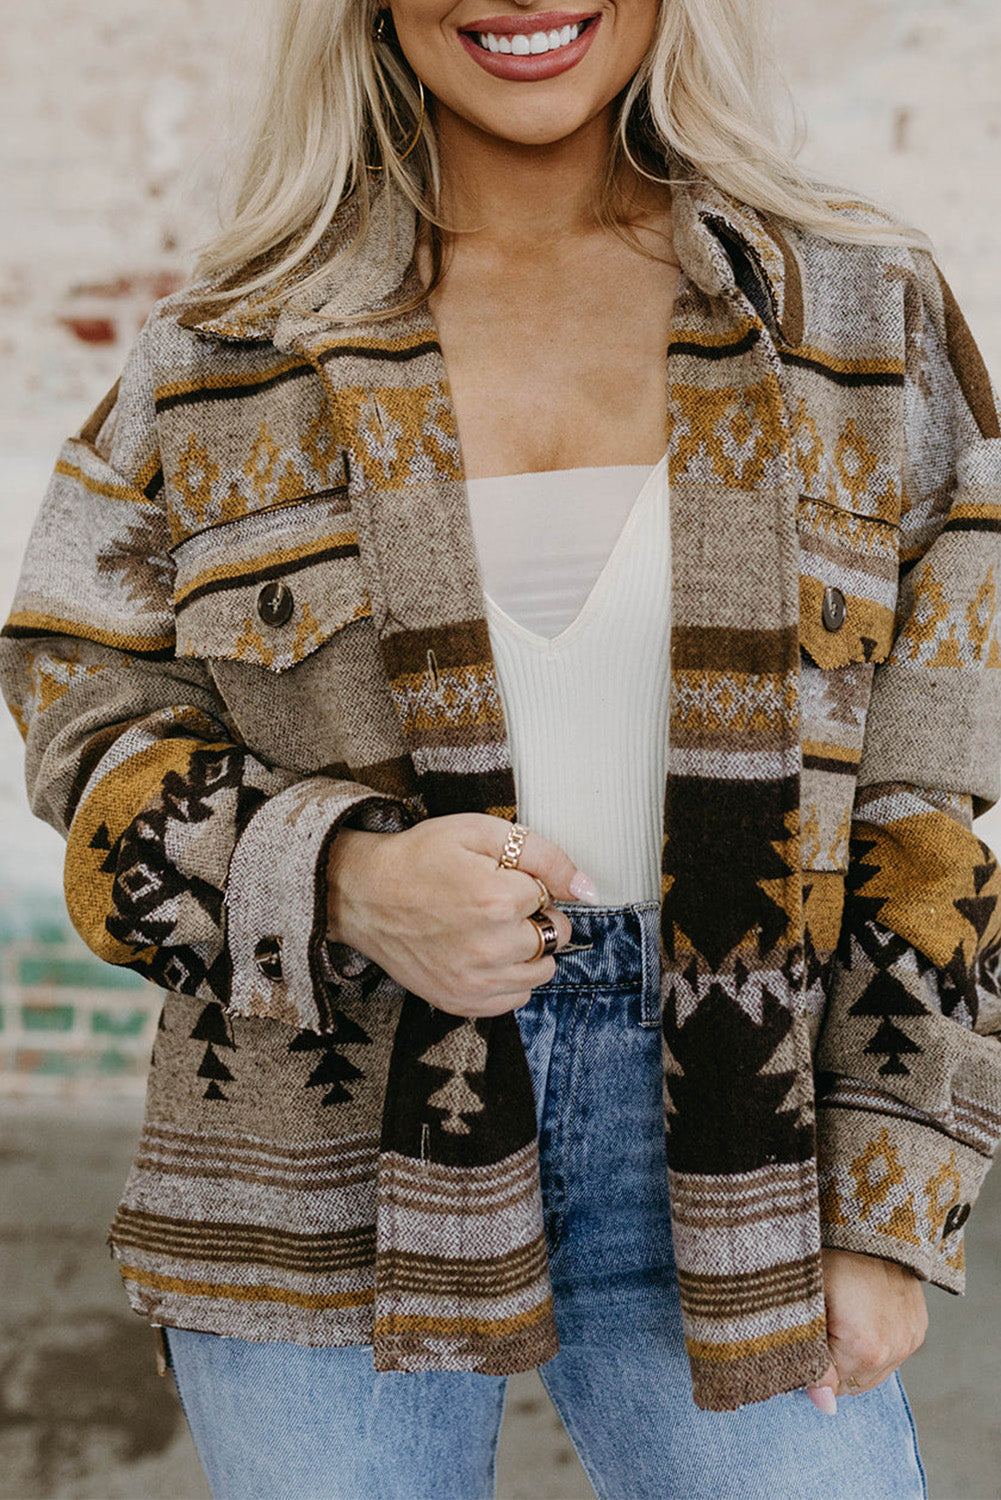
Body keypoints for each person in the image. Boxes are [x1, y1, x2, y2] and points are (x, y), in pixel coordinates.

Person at [2, 0, 999, 1494]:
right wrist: (339, 879)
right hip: (312, 1131)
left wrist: (886, 1199)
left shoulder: (858, 317)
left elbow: (928, 804)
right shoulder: (225, 350)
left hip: (747, 1124)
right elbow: (75, 692)